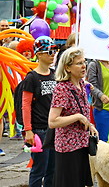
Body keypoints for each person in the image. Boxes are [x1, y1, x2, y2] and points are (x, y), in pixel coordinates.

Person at [48, 47, 98, 187]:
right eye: (79, 63)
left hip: (82, 144)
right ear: (67, 68)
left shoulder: (82, 84)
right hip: (67, 148)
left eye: (84, 62)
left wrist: (90, 125)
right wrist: (77, 117)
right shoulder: (62, 88)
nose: (84, 66)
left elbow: (83, 111)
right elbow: (52, 121)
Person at [22, 36, 57, 187]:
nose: (53, 54)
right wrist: (28, 130)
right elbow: (26, 105)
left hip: (54, 128)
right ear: (39, 54)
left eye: (54, 51)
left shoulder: (55, 74)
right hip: (39, 130)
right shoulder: (32, 77)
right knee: (39, 169)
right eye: (49, 51)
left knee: (53, 169)